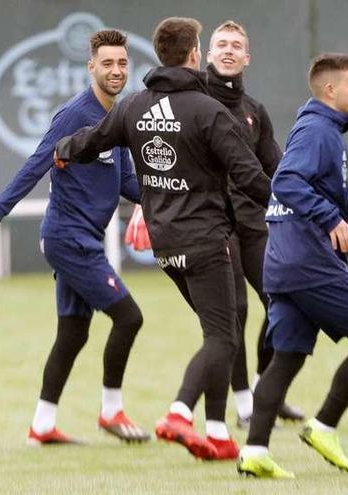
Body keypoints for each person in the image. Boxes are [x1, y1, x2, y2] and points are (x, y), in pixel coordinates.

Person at [55, 17, 270, 461]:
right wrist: (294, 205)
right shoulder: (208, 110)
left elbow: (91, 142)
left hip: (165, 246)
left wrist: (63, 148)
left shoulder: (133, 106)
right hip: (207, 240)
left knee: (221, 331)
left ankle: (217, 431)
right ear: (195, 55)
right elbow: (249, 175)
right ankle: (178, 413)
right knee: (223, 336)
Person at [0, 29, 149, 445]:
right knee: (129, 317)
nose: (116, 70)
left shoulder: (117, 117)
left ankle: (42, 426)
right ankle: (111, 411)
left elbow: (127, 182)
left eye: (122, 63)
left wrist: (169, 195)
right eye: (107, 63)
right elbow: (37, 162)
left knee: (73, 333)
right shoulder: (74, 115)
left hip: (82, 239)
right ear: (91, 67)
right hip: (69, 240)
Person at [236, 53, 348, 479]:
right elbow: (287, 181)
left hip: (284, 262)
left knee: (287, 357)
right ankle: (324, 425)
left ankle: (255, 451)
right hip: (309, 261)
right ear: (330, 90)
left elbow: (340, 200)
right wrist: (330, 219)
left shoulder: (322, 130)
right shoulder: (318, 131)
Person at [204, 20, 304, 427]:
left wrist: (305, 201)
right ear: (208, 55)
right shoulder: (194, 103)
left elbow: (275, 168)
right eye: (221, 45)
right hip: (212, 223)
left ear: (247, 58)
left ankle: (267, 390)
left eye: (236, 46)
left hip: (255, 220)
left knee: (283, 301)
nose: (228, 51)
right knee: (235, 311)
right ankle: (245, 405)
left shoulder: (253, 112)